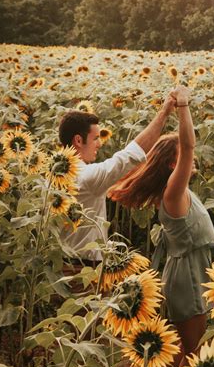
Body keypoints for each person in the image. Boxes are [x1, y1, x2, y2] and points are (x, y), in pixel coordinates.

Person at [108, 85, 214, 367]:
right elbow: (189, 145)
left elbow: (187, 149)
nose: (190, 160)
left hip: (188, 271)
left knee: (184, 347)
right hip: (188, 274)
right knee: (194, 348)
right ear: (173, 163)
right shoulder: (173, 190)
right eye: (182, 158)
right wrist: (182, 107)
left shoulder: (177, 192)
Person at [58, 94, 177, 268]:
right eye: (95, 138)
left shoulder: (53, 174)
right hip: (81, 270)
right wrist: (163, 113)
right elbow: (129, 156)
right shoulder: (86, 177)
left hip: (59, 266)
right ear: (78, 140)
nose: (99, 144)